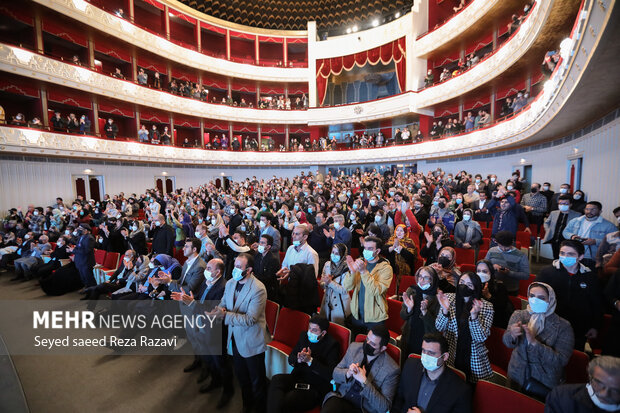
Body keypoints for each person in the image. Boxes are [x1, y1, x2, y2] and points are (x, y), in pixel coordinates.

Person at [210, 253, 268, 413]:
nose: (234, 269)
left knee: (257, 382)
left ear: (248, 270)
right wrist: (218, 310)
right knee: (242, 378)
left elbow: (250, 319)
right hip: (234, 339)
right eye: (234, 265)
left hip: (251, 341)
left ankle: (259, 409)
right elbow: (224, 303)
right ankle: (246, 405)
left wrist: (224, 315)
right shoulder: (230, 283)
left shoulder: (258, 288)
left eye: (238, 267)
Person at [503, 282, 574, 399]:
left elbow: (561, 361)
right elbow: (506, 342)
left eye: (541, 298)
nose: (535, 300)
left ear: (550, 300)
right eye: (532, 296)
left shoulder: (563, 326)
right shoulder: (519, 315)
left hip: (543, 379)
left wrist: (535, 344)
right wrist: (512, 335)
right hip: (517, 372)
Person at [536, 240, 603, 351]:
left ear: (580, 257)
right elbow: (537, 297)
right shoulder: (546, 273)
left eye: (570, 254)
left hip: (578, 327)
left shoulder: (590, 276)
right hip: (551, 324)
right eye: (562, 253)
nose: (565, 257)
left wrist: (595, 326)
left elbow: (596, 303)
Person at [267, 315, 340, 413]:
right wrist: (298, 359)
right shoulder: (304, 336)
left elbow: (330, 374)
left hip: (315, 386)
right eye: (309, 328)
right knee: (276, 379)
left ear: (323, 333)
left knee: (286, 400)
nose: (310, 332)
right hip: (298, 377)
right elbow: (291, 358)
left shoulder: (332, 345)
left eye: (314, 330)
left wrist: (310, 361)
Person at [321, 325, 400, 413]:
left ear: (382, 348)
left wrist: (365, 382)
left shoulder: (391, 369)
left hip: (363, 409)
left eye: (373, 344)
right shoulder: (354, 348)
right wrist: (348, 373)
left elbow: (384, 407)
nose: (367, 343)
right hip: (342, 397)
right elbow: (335, 374)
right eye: (367, 339)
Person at [436, 272, 494, 383]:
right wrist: (445, 311)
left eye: (469, 285)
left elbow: (481, 337)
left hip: (473, 356)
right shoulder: (449, 298)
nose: (464, 286)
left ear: (475, 288)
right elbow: (439, 327)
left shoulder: (486, 306)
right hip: (452, 351)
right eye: (462, 282)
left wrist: (474, 316)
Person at [392, 332, 472, 413]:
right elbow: (398, 400)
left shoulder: (460, 390)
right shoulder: (410, 366)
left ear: (445, 356)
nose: (425, 357)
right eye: (423, 351)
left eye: (431, 353)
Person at [342, 236, 393, 336]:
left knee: (371, 348)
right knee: (356, 345)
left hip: (375, 317)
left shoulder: (386, 268)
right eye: (365, 248)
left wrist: (364, 272)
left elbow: (376, 291)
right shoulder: (360, 262)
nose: (366, 251)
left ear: (377, 251)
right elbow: (347, 287)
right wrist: (352, 272)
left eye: (370, 249)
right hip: (357, 314)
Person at [545, 355, 620, 413]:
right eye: (599, 384)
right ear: (590, 377)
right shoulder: (561, 396)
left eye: (615, 390)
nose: (605, 394)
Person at [400, 266, 440, 357]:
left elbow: (436, 327)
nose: (421, 280)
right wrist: (409, 309)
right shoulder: (411, 290)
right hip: (409, 334)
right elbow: (402, 315)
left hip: (426, 338)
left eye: (426, 278)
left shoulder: (438, 298)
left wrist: (425, 312)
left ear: (432, 280)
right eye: (420, 276)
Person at [563, 201, 617, 267]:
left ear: (600, 211)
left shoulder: (609, 225)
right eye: (587, 209)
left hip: (592, 258)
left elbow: (614, 242)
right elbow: (565, 232)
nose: (589, 211)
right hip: (574, 254)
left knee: (589, 275)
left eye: (593, 209)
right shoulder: (576, 221)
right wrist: (572, 236)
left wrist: (595, 241)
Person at [484, 230, 530, 296]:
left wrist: (509, 273)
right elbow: (484, 266)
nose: (503, 249)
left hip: (511, 289)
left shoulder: (521, 255)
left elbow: (526, 275)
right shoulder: (492, 250)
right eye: (500, 246)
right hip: (493, 286)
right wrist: (492, 266)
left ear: (512, 243)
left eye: (506, 247)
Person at [320, 243, 352, 326]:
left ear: (342, 255)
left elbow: (344, 290)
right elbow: (322, 283)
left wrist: (330, 282)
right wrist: (325, 283)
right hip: (327, 300)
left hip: (340, 303)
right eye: (333, 252)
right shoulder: (327, 264)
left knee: (337, 327)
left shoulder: (347, 268)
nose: (334, 255)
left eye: (337, 253)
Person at [476, 259, 513, 328]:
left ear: (491, 272)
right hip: (479, 321)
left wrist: (488, 296)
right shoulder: (474, 285)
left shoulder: (500, 286)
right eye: (478, 271)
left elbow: (501, 309)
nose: (481, 273)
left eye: (484, 271)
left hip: (496, 322)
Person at [386, 224, 418, 296]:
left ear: (405, 233)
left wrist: (401, 249)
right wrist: (393, 247)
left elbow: (412, 257)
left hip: (405, 270)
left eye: (401, 231)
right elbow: (385, 251)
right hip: (392, 268)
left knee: (403, 292)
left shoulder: (409, 242)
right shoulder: (391, 240)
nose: (399, 232)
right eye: (397, 230)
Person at [252, 234, 280, 302]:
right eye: (260, 242)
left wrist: (254, 277)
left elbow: (269, 278)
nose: (260, 244)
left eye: (263, 243)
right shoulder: (257, 255)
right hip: (256, 285)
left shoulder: (273, 260)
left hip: (267, 290)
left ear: (268, 246)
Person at [68, 223, 96, 288]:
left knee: (89, 279)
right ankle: (87, 290)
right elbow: (78, 246)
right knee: (83, 278)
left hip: (86, 261)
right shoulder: (81, 236)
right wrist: (72, 249)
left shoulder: (89, 238)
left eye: (80, 228)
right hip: (80, 261)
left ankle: (93, 293)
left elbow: (86, 251)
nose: (78, 230)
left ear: (85, 230)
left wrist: (73, 250)